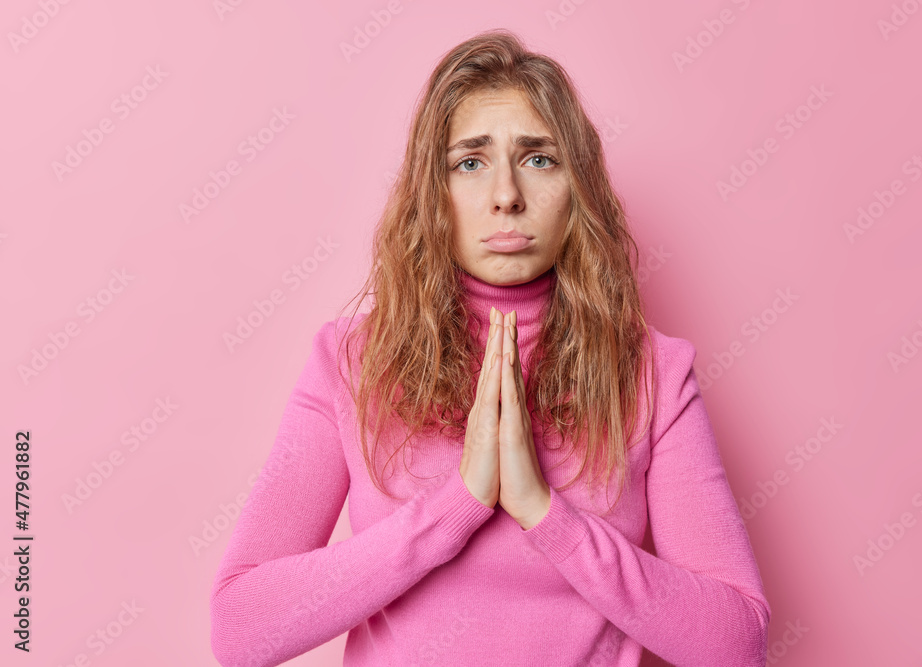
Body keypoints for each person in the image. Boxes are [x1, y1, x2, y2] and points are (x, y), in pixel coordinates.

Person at [209, 28, 770, 667]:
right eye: (470, 163)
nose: (506, 196)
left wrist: (545, 514)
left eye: (539, 159)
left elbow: (737, 644)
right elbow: (240, 630)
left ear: (578, 189)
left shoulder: (655, 375)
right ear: (433, 193)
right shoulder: (350, 363)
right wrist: (455, 508)